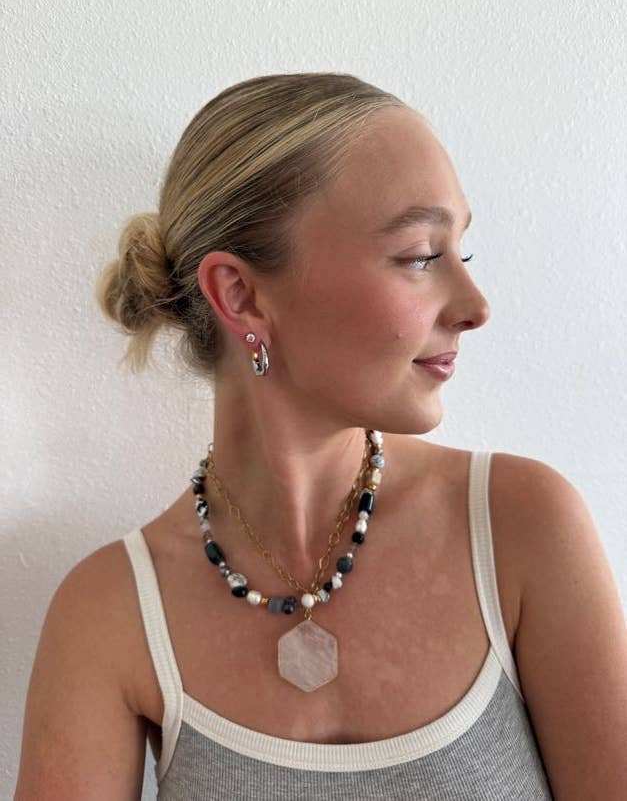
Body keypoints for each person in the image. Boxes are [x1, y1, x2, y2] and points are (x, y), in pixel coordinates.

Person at [14, 73, 627, 800]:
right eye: (420, 256)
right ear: (240, 295)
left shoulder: (520, 527)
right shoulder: (111, 614)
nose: (473, 305)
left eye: (463, 251)